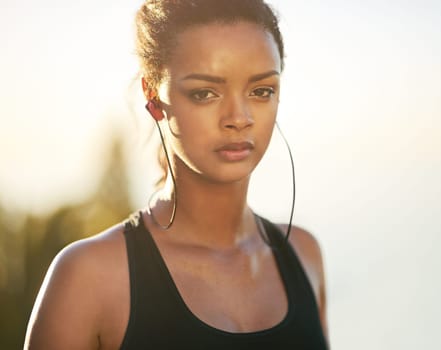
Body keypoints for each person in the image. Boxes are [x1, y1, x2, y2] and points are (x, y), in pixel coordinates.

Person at [24, 0, 328, 348]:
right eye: (205, 93)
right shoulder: (90, 277)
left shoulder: (304, 255)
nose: (239, 117)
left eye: (261, 91)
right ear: (153, 96)